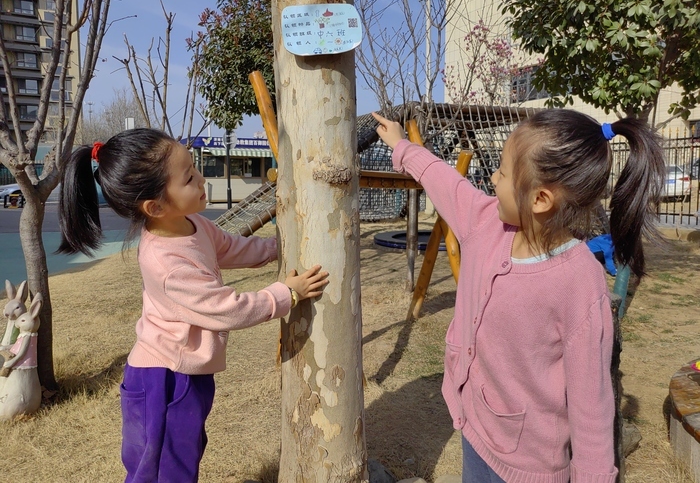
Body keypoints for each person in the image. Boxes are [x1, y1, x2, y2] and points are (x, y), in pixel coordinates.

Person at [373, 109, 664, 483]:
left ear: (540, 199)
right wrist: (402, 147)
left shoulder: (578, 281)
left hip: (531, 465)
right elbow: (447, 182)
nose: (492, 178)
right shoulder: (485, 224)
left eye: (503, 172)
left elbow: (591, 406)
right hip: (477, 431)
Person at [57, 128, 329, 483]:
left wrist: (283, 247)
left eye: (195, 169)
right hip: (164, 378)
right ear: (155, 206)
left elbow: (233, 248)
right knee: (162, 470)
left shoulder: (192, 224)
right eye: (188, 177)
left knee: (184, 454)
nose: (201, 180)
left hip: (188, 372)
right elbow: (225, 308)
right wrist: (285, 294)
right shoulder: (166, 263)